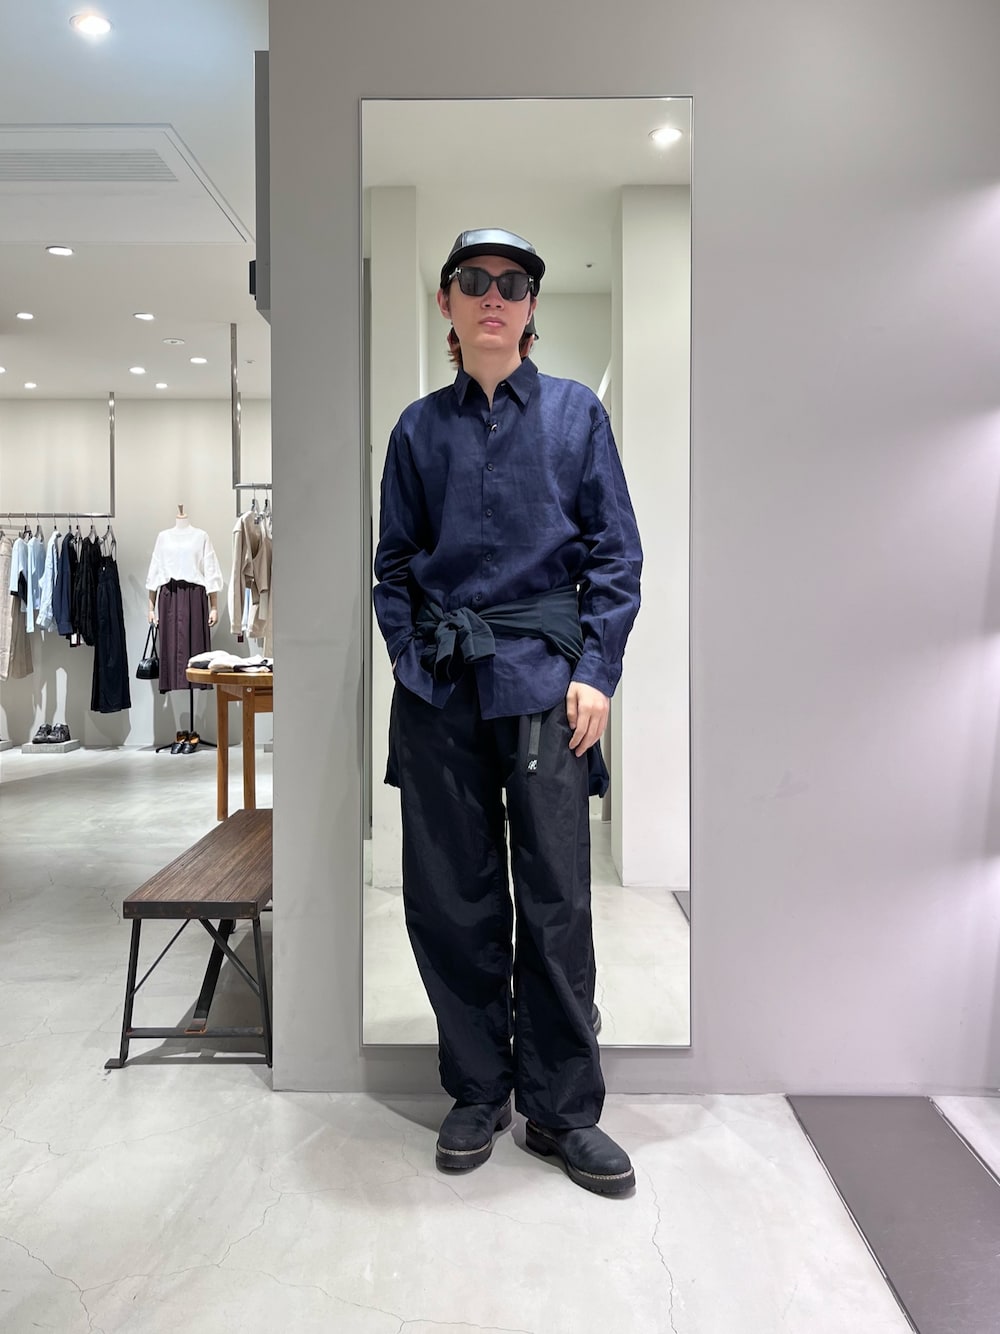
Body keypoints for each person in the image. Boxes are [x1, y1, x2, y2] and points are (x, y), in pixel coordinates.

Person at [373, 228, 642, 1196]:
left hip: (547, 692)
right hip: (441, 690)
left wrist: (597, 671)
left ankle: (563, 1109)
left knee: (557, 898)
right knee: (452, 896)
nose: (495, 294)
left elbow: (616, 555)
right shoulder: (416, 432)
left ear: (531, 307)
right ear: (447, 302)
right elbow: (393, 568)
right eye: (474, 279)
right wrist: (412, 664)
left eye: (513, 282)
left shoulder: (576, 417)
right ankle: (478, 1088)